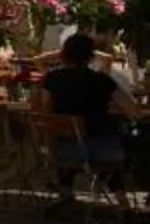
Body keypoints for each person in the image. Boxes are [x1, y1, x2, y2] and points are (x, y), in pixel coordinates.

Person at [41, 33, 136, 205]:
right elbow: (131, 108)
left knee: (77, 136)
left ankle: (65, 191)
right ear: (91, 56)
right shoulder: (101, 81)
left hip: (64, 151)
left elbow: (45, 110)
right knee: (122, 138)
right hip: (103, 150)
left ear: (64, 55)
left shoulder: (52, 80)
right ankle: (122, 200)